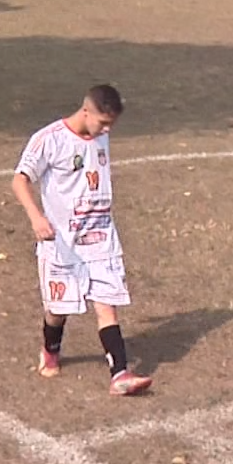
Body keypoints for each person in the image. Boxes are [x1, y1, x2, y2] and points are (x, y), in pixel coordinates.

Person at [11, 85, 153, 396]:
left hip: (100, 238)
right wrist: (36, 218)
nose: (107, 130)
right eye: (103, 122)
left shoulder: (100, 135)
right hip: (61, 242)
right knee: (58, 309)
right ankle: (50, 349)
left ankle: (120, 374)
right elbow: (19, 179)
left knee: (107, 305)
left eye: (111, 124)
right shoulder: (49, 140)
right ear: (85, 111)